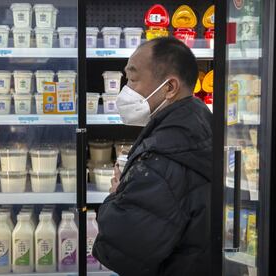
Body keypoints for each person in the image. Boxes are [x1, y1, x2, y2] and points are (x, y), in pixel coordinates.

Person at [92, 37, 213, 276]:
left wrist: (116, 197)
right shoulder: (198, 123)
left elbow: (120, 249)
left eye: (133, 79)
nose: (126, 90)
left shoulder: (163, 158)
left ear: (169, 87)